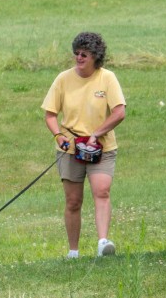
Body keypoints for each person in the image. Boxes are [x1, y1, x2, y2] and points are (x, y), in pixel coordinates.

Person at [41, 32, 126, 258]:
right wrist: (58, 135)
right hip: (70, 148)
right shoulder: (63, 79)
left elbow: (119, 113)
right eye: (77, 53)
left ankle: (103, 243)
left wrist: (97, 134)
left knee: (102, 190)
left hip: (101, 147)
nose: (79, 58)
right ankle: (73, 251)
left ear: (95, 57)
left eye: (84, 54)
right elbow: (50, 114)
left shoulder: (107, 78)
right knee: (73, 200)